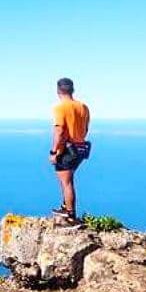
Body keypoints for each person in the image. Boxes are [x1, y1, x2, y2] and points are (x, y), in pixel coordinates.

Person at [50, 77, 91, 221]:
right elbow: (85, 129)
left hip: (67, 149)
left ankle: (70, 215)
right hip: (81, 149)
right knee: (67, 179)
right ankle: (65, 207)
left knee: (67, 183)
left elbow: (60, 131)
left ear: (58, 90)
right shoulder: (83, 107)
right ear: (72, 89)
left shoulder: (60, 108)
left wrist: (54, 152)